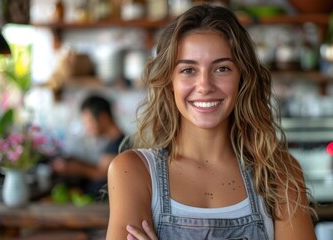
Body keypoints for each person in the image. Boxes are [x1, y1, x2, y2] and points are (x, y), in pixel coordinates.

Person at [106, 4, 316, 240]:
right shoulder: (133, 171)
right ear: (169, 81)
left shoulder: (280, 174)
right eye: (188, 70)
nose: (205, 86)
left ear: (243, 79)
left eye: (222, 68)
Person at [51, 94, 125, 198]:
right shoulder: (112, 142)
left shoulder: (120, 143)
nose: (88, 128)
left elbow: (102, 173)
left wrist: (75, 168)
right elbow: (99, 168)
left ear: (103, 118)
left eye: (89, 122)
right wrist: (75, 161)